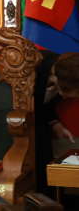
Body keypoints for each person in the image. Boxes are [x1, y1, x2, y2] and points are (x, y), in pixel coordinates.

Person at [34, 51, 79, 194]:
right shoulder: (32, 68)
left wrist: (55, 123)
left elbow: (43, 106)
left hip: (38, 126)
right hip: (12, 130)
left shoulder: (61, 76)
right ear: (65, 82)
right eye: (77, 93)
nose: (77, 97)